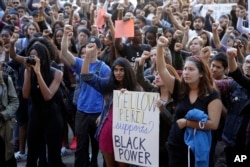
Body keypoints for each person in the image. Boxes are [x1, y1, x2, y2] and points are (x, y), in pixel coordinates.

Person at [156, 36, 222, 167]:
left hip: (198, 149)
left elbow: (213, 124)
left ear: (201, 73)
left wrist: (188, 123)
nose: (186, 73)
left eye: (191, 69)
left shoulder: (212, 94)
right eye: (185, 69)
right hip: (176, 146)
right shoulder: (179, 88)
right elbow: (162, 69)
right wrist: (159, 48)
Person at [9, 33, 65, 167]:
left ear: (43, 58)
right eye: (31, 56)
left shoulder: (56, 73)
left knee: (53, 157)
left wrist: (38, 73)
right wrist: (28, 72)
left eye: (36, 56)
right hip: (35, 115)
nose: (33, 59)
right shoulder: (28, 70)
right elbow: (26, 94)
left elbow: (48, 96)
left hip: (52, 117)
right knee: (32, 155)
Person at [61, 24, 111, 167]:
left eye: (94, 46)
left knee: (96, 145)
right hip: (82, 110)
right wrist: (65, 35)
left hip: (97, 112)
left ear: (100, 49)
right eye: (89, 45)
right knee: (81, 145)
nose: (91, 48)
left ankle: (94, 163)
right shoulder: (81, 62)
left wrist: (103, 114)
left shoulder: (104, 68)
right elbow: (64, 53)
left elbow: (107, 94)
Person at [81, 56, 140, 167]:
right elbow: (86, 76)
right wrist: (88, 56)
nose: (118, 73)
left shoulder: (135, 89)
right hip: (107, 131)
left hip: (125, 134)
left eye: (121, 70)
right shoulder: (108, 84)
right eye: (116, 70)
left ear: (127, 71)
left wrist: (129, 97)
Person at [136, 51, 180, 167]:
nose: (157, 76)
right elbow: (140, 79)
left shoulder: (177, 99)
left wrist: (162, 110)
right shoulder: (154, 91)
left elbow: (174, 123)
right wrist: (141, 62)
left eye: (160, 74)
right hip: (152, 143)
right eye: (156, 74)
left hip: (167, 145)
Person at [0, 66, 19, 167]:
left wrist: (4, 114)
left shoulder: (6, 79)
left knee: (8, 157)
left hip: (5, 126)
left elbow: (14, 102)